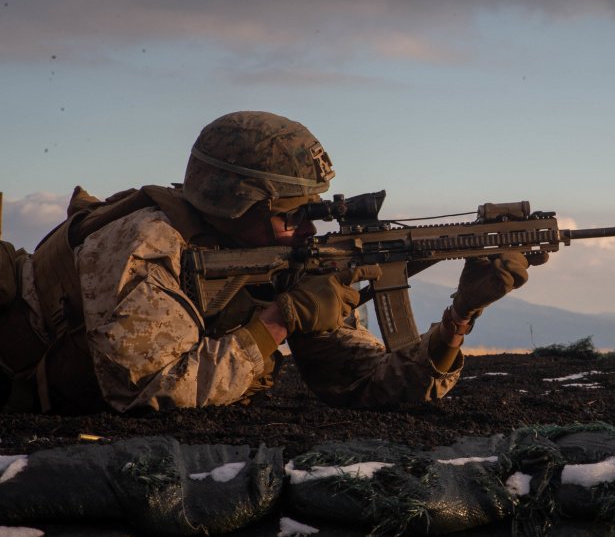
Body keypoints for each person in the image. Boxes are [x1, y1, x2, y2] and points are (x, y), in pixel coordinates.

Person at [0, 111, 544, 414]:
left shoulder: (277, 257)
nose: (308, 230)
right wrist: (278, 322)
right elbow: (146, 390)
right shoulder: (144, 244)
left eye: (313, 212)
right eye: (291, 214)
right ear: (234, 202)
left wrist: (458, 319)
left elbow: (365, 384)